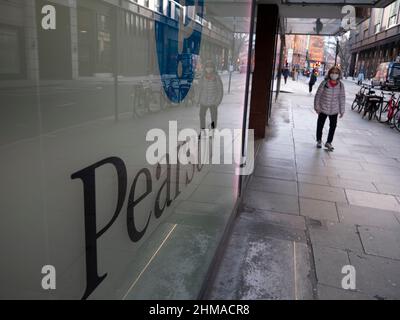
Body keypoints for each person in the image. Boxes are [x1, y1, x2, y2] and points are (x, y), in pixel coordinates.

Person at [314, 66, 346, 151]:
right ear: (329, 73)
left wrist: (342, 110)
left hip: (334, 110)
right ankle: (319, 140)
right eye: (333, 72)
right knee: (320, 125)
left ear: (339, 75)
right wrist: (317, 106)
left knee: (333, 126)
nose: (334, 74)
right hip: (323, 108)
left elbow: (342, 98)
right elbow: (318, 95)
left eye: (336, 73)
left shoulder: (340, 85)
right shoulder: (324, 83)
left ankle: (329, 142)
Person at [198, 60, 224, 136]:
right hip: (204, 101)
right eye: (207, 67)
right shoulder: (202, 77)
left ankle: (212, 131)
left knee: (213, 117)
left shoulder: (216, 77)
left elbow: (220, 90)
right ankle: (202, 131)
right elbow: (199, 89)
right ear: (205, 68)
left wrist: (217, 101)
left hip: (213, 101)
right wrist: (197, 100)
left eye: (210, 67)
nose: (209, 69)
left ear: (213, 68)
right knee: (201, 115)